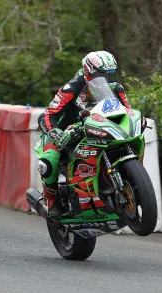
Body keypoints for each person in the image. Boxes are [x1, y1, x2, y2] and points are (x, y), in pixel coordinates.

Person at [37, 50, 133, 218]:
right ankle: (51, 201)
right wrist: (54, 132)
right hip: (63, 131)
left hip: (97, 128)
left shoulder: (116, 88)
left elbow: (128, 111)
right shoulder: (72, 87)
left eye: (111, 76)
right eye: (103, 76)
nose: (108, 81)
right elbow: (47, 114)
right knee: (49, 161)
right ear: (89, 73)